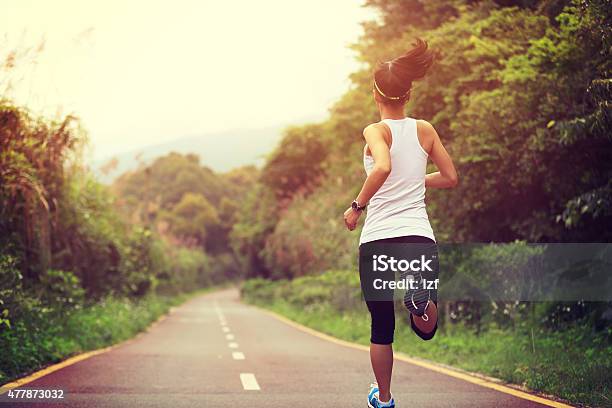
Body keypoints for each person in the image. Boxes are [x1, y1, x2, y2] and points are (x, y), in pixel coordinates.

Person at [343, 38, 458, 408]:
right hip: (417, 237)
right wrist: (416, 180)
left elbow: (383, 166)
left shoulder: (375, 131)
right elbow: (450, 177)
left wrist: (357, 206)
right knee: (425, 329)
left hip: (378, 239)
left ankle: (386, 399)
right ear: (407, 94)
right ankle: (421, 304)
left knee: (381, 326)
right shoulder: (425, 129)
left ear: (376, 95)